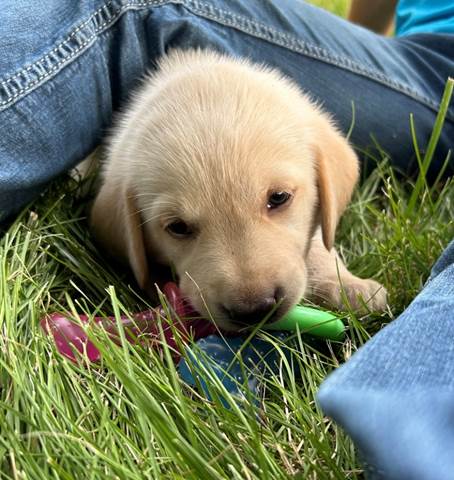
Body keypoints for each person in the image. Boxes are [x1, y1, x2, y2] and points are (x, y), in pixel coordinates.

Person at [0, 0, 452, 477]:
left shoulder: (309, 150)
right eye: (180, 227)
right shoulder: (127, 193)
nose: (249, 292)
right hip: (408, 52)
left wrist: (323, 263)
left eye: (278, 199)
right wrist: (357, 45)